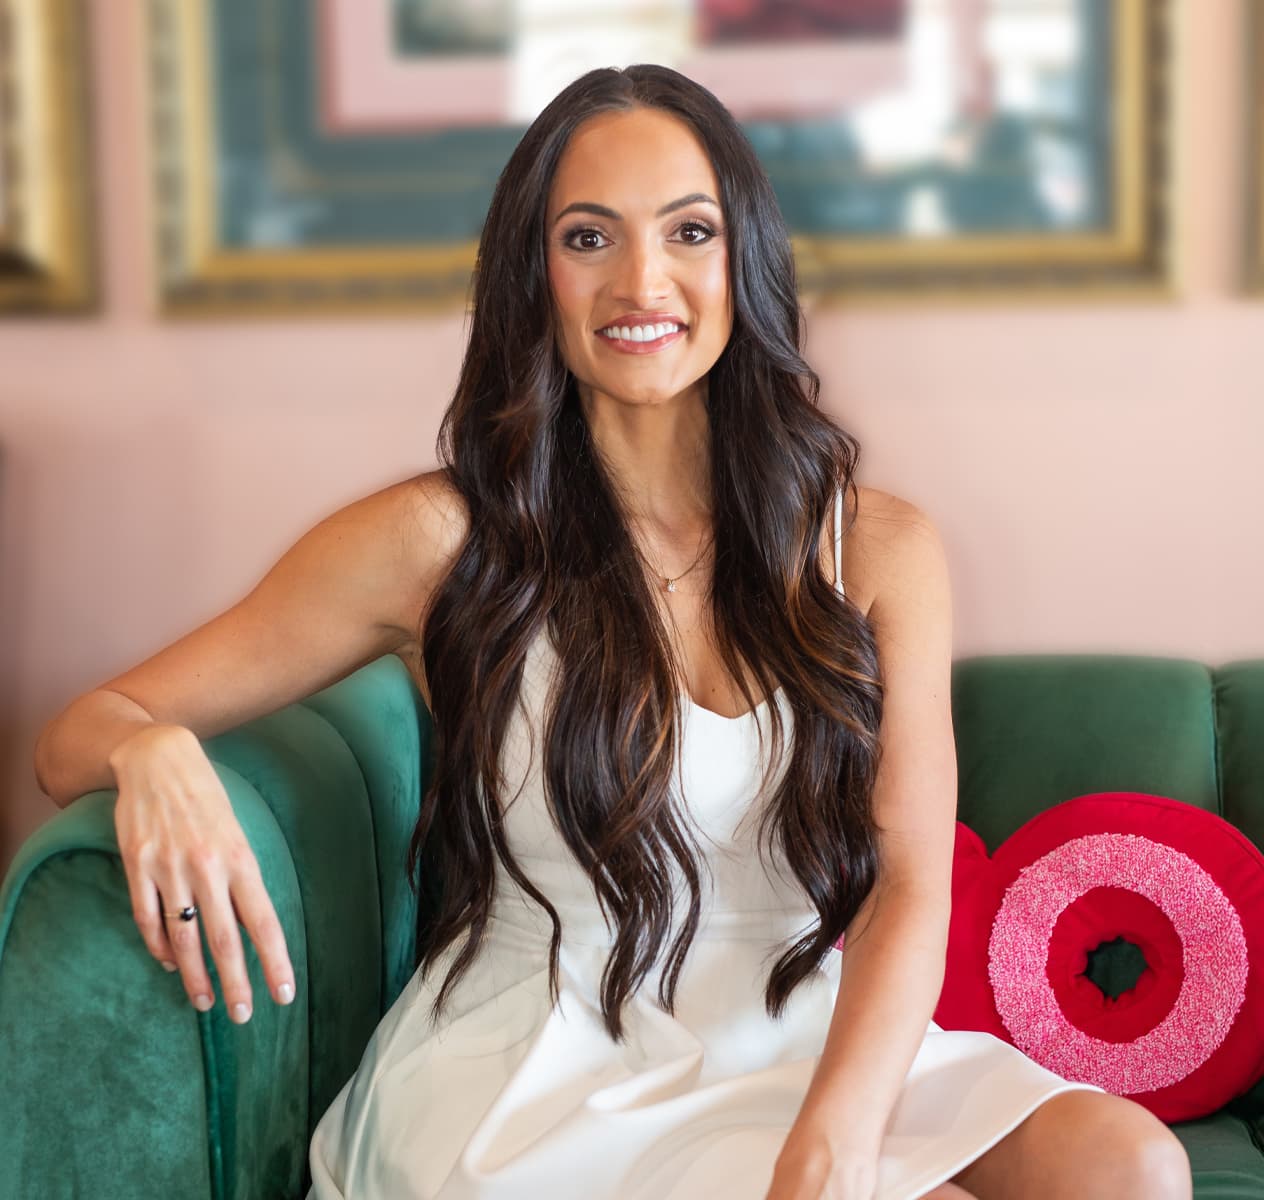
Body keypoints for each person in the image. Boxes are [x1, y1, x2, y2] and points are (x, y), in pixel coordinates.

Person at [34, 64, 1192, 1200]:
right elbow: (85, 728)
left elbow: (908, 882)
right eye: (589, 238)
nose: (643, 280)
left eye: (688, 233)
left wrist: (837, 1138)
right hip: (544, 1069)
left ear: (745, 257)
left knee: (1130, 1164)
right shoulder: (439, 540)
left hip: (795, 1033)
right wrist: (151, 754)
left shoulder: (879, 549)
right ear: (533, 275)